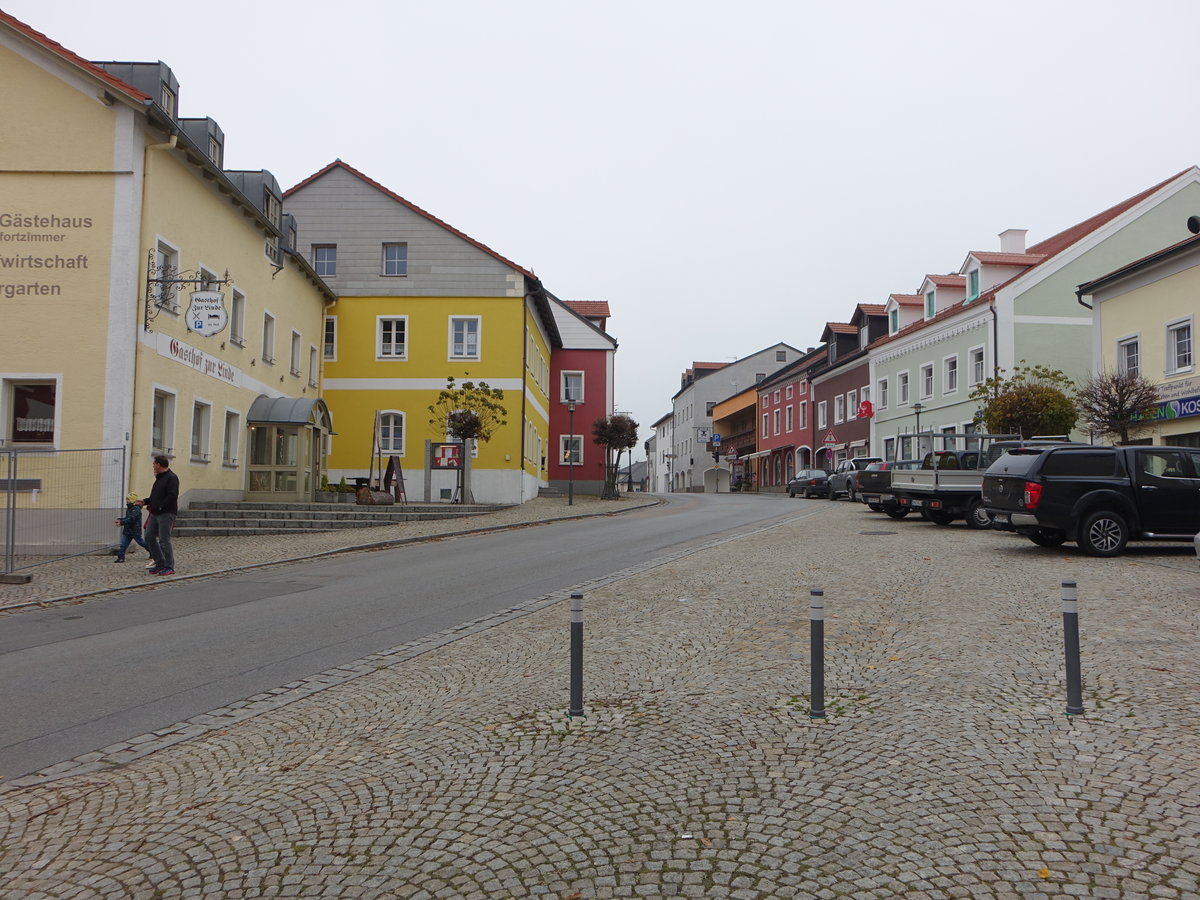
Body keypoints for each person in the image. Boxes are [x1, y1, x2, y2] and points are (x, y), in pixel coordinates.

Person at [140, 454, 179, 576]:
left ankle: (169, 566)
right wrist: (145, 501)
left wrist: (161, 506)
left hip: (166, 513)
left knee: (164, 540)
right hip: (155, 513)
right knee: (149, 536)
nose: (152, 466)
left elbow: (172, 495)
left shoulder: (172, 478)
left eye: (154, 464)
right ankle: (159, 562)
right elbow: (154, 497)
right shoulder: (159, 478)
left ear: (158, 464)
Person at [113, 491, 150, 562]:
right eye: (127, 499)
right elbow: (128, 518)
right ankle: (120, 558)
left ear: (132, 500)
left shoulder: (136, 509)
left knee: (142, 543)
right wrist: (120, 519)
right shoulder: (129, 508)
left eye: (128, 499)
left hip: (135, 531)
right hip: (127, 531)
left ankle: (153, 552)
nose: (126, 500)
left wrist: (121, 522)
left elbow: (131, 519)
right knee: (123, 545)